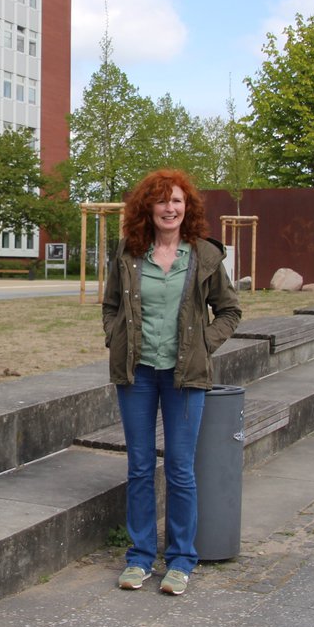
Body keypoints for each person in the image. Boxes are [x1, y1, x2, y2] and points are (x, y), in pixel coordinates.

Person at [102, 169, 241, 596]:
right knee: (140, 467)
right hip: (137, 374)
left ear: (187, 208)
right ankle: (141, 556)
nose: (169, 208)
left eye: (177, 201)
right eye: (162, 201)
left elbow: (230, 311)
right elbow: (109, 306)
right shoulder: (128, 252)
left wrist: (204, 343)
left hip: (186, 377)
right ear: (149, 207)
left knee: (180, 469)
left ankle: (181, 559)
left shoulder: (204, 256)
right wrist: (115, 337)